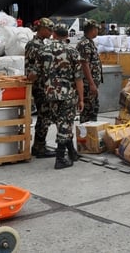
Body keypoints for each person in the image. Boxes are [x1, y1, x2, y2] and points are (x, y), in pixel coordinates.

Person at [38, 23, 84, 170]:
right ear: (67, 35)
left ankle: (72, 152)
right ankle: (60, 159)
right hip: (67, 94)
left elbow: (36, 73)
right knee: (66, 123)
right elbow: (78, 78)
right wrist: (81, 98)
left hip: (50, 93)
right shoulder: (72, 51)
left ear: (54, 35)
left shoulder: (43, 50)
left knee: (61, 123)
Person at [25, 18, 56, 158]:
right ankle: (39, 147)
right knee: (44, 117)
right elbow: (36, 69)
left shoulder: (38, 44)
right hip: (40, 86)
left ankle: (39, 145)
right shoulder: (36, 45)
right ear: (41, 28)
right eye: (49, 29)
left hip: (41, 85)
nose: (51, 32)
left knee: (45, 116)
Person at [77, 20, 102, 123]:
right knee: (88, 111)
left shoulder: (89, 42)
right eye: (96, 29)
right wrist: (91, 84)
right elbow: (84, 64)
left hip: (91, 83)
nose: (97, 31)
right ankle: (85, 136)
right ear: (92, 29)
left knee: (93, 109)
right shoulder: (85, 44)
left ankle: (90, 135)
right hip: (87, 84)